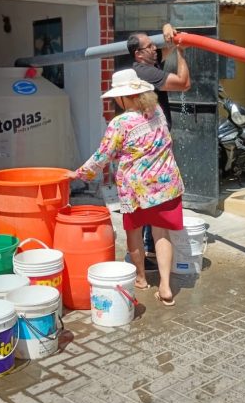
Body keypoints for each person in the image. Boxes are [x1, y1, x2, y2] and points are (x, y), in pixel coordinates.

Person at [74, 68, 184, 306]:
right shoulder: (158, 111)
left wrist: (78, 173)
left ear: (124, 97)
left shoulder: (120, 122)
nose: (114, 100)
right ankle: (165, 286)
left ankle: (142, 279)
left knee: (134, 233)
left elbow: (102, 156)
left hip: (136, 190)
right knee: (161, 233)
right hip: (166, 185)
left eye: (116, 96)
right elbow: (167, 141)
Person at [127, 24, 190, 262]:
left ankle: (149, 249)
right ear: (138, 54)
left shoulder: (145, 69)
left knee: (148, 198)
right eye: (150, 46)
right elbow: (184, 83)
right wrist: (182, 53)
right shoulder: (146, 73)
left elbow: (165, 50)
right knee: (156, 197)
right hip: (154, 148)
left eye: (154, 44)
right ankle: (151, 250)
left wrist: (167, 30)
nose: (155, 48)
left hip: (149, 145)